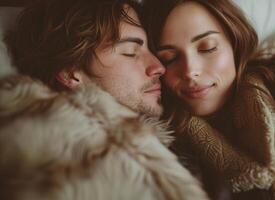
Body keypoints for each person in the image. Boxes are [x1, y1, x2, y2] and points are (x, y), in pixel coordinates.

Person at [143, 0, 275, 199]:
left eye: (207, 47)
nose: (190, 71)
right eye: (169, 58)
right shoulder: (172, 154)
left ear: (235, 46)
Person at [0, 0, 208, 199]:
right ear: (71, 73)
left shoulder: (172, 138)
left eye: (150, 51)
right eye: (130, 52)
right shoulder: (58, 163)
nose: (159, 67)